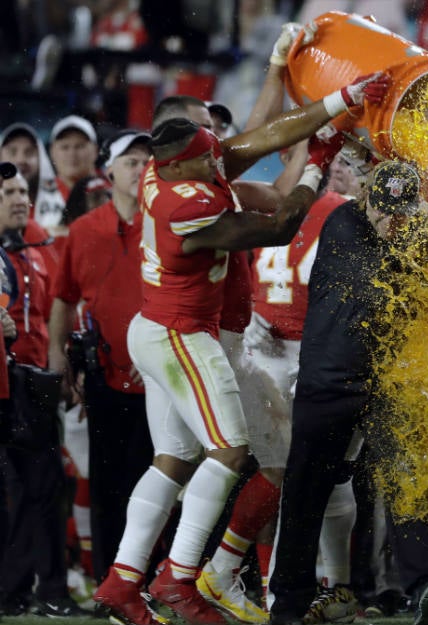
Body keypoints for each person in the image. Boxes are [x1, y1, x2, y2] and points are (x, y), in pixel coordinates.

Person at [92, 68, 391, 625]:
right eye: (206, 155)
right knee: (232, 451)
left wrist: (340, 99)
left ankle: (122, 582)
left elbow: (263, 139)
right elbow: (279, 224)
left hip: (182, 332)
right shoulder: (184, 206)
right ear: (178, 160)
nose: (218, 159)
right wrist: (318, 165)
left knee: (179, 460)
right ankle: (182, 577)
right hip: (185, 335)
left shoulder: (177, 168)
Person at [268, 160, 428, 625]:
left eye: (401, 211)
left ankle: (426, 587)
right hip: (330, 378)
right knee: (306, 489)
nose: (391, 220)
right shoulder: (344, 223)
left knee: (405, 484)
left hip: (383, 382)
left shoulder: (410, 230)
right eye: (385, 209)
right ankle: (290, 600)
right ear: (366, 199)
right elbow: (381, 290)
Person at [46, 130, 154, 584]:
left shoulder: (165, 224)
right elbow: (64, 298)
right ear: (108, 171)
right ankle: (112, 580)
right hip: (104, 374)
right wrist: (57, 354)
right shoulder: (85, 232)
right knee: (109, 484)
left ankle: (149, 578)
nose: (141, 168)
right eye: (130, 161)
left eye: (147, 160)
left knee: (154, 484)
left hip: (161, 376)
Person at [0, 163, 86, 617]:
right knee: (27, 491)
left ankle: (38, 589)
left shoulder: (36, 250)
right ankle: (30, 589)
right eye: (8, 192)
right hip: (10, 386)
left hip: (32, 387)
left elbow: (58, 313)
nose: (19, 199)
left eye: (21, 191)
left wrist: (66, 364)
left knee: (43, 487)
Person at [38, 115, 100, 233]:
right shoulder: (35, 193)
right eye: (65, 147)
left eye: (80, 146)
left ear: (95, 150)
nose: (72, 154)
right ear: (52, 151)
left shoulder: (112, 191)